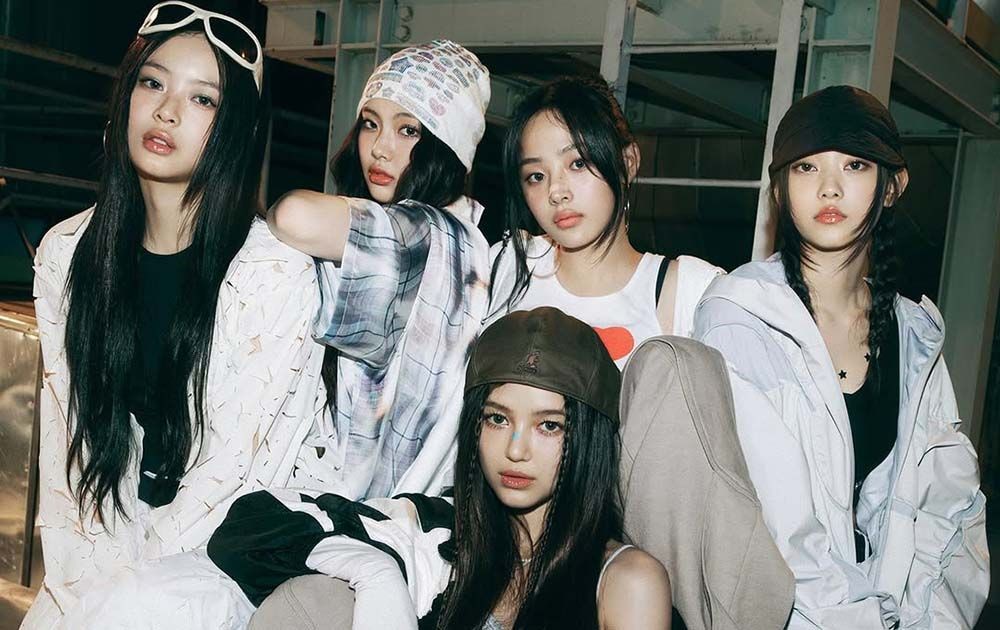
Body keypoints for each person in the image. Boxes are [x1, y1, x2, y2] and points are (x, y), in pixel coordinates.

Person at [24, 2, 325, 628]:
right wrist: (86, 589)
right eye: (153, 82)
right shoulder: (67, 253)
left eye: (202, 99)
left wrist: (129, 596)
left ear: (235, 130)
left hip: (224, 553)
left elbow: (233, 471)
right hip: (112, 536)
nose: (167, 111)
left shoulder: (269, 273)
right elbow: (68, 442)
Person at [694, 85, 989, 628]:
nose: (828, 187)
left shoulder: (914, 336)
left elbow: (948, 512)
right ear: (780, 190)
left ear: (892, 186)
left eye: (854, 165)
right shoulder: (739, 318)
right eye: (806, 167)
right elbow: (774, 525)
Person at [210, 307, 673, 630]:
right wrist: (376, 574)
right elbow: (249, 527)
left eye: (549, 426)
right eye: (497, 419)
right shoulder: (440, 535)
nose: (516, 450)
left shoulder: (626, 580)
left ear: (589, 439)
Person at [267, 39, 493, 500]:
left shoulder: (426, 234)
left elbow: (293, 215)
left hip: (370, 511)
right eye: (371, 124)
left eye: (408, 130)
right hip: (400, 505)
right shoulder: (464, 238)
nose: (380, 149)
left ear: (448, 143)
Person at [488, 77, 723, 367]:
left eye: (578, 163)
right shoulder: (505, 267)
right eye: (536, 176)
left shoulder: (688, 291)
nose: (556, 192)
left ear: (627, 163)